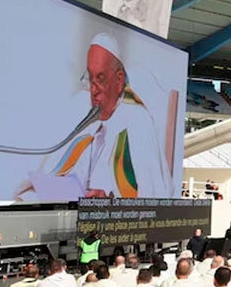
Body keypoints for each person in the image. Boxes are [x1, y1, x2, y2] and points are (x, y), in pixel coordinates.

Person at [14, 33, 167, 199]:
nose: (94, 90)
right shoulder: (90, 120)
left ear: (119, 79)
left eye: (100, 79)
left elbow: (153, 195)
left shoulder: (137, 121)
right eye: (90, 78)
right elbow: (76, 175)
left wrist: (110, 198)